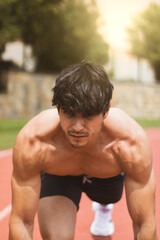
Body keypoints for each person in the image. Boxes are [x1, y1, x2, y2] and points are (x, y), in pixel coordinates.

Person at [9, 62, 157, 240]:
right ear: (57, 108)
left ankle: (103, 208)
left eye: (88, 116)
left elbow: (144, 223)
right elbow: (22, 221)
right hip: (60, 173)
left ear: (106, 110)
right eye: (69, 114)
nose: (78, 127)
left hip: (106, 173)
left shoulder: (129, 143)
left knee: (108, 197)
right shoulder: (34, 141)